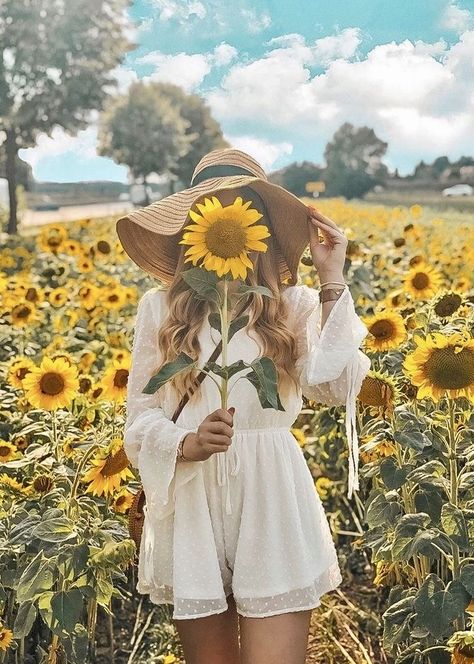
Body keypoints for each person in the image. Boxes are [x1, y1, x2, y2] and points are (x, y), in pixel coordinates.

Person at [116, 148, 371, 664]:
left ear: (261, 226)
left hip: (271, 491)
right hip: (192, 497)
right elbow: (139, 418)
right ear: (196, 228)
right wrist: (184, 442)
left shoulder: (291, 305)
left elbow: (339, 387)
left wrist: (331, 281)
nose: (228, 221)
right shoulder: (160, 309)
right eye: (214, 211)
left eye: (242, 210)